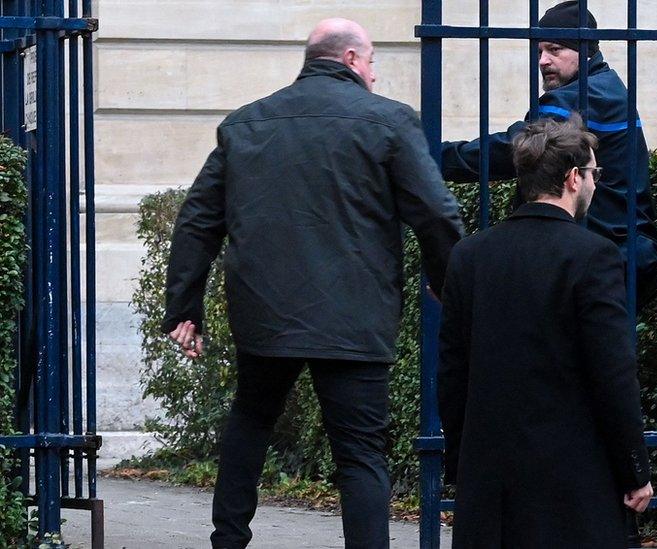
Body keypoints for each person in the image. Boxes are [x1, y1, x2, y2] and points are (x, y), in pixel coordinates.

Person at [162, 18, 464, 549]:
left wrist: (184, 307)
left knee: (251, 423)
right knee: (361, 452)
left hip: (264, 313)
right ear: (351, 59)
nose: (374, 73)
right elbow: (437, 215)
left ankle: (228, 541)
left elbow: (196, 222)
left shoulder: (245, 124)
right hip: (356, 314)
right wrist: (446, 283)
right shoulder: (389, 122)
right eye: (372, 62)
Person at [438, 116, 653, 547]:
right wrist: (635, 472)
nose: (595, 183)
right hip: (572, 482)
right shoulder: (594, 256)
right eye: (594, 173)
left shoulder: (469, 255)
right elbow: (612, 373)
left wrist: (463, 462)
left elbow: (451, 373)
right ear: (574, 178)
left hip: (490, 482)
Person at [441, 0, 657, 306]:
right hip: (623, 253)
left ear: (585, 51)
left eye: (555, 49)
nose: (544, 60)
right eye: (539, 51)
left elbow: (513, 150)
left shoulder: (573, 98)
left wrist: (436, 157)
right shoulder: (610, 87)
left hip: (589, 257)